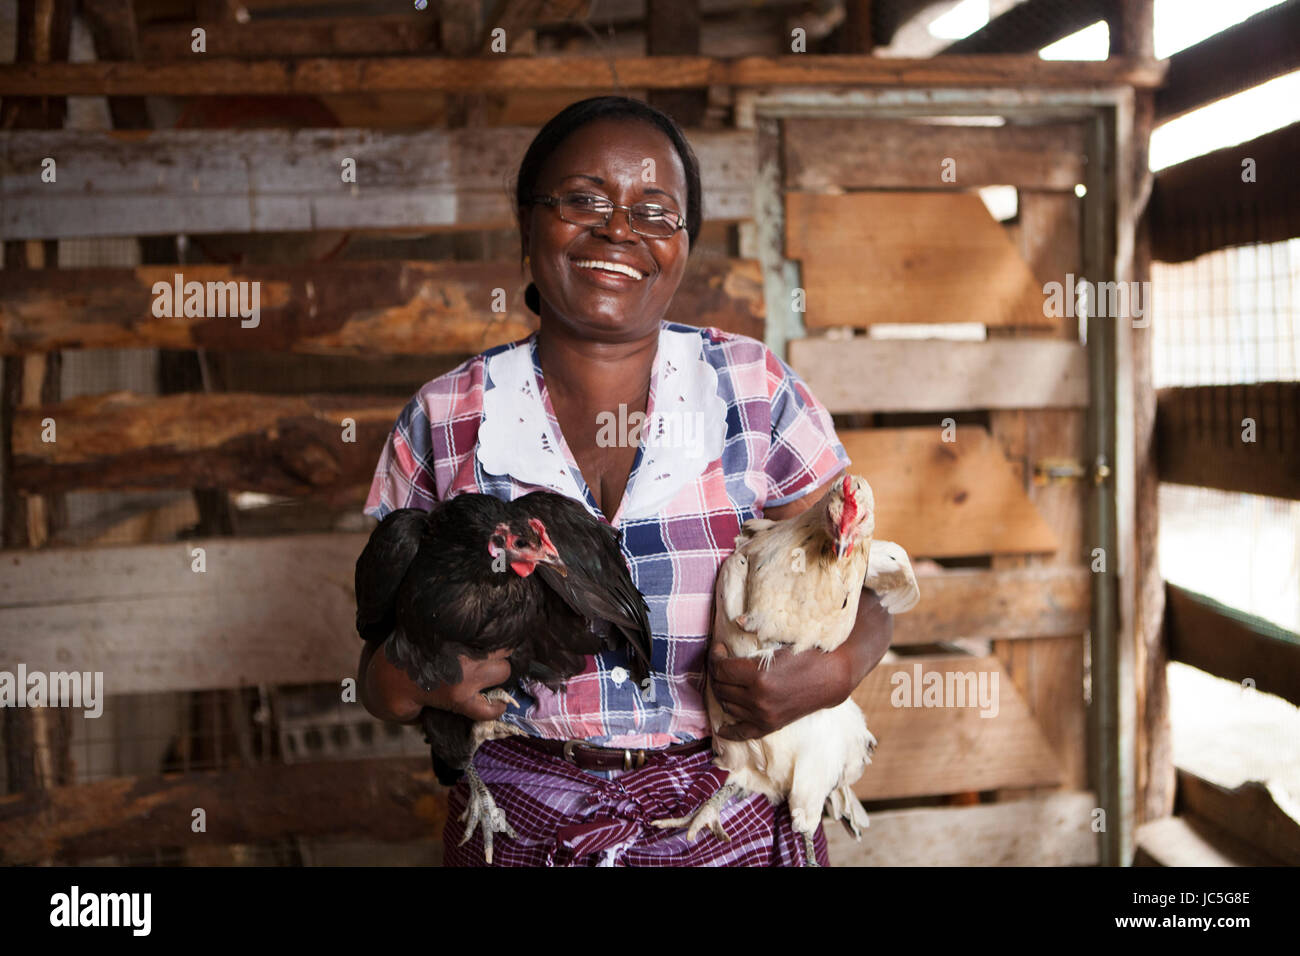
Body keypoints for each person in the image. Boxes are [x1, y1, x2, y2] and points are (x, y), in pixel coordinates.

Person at [358, 95, 893, 866]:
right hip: (520, 823)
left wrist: (837, 671)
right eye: (583, 200)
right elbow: (377, 685)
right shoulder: (445, 418)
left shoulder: (753, 392)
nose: (618, 230)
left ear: (684, 246)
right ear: (528, 222)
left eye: (655, 213)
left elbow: (864, 588)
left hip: (732, 814)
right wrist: (415, 668)